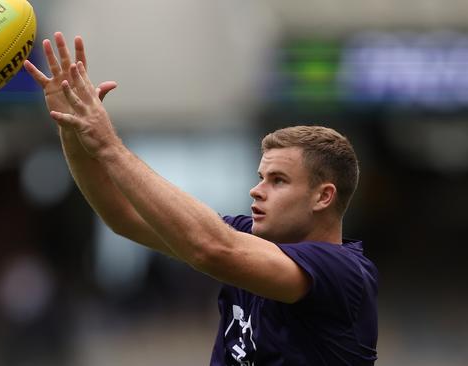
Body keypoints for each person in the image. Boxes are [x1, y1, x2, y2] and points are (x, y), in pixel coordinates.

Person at [24, 32, 378, 365]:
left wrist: (107, 145)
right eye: (261, 178)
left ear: (323, 197)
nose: (257, 190)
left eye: (278, 180)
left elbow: (211, 248)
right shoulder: (249, 239)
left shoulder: (342, 272)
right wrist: (71, 130)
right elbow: (124, 216)